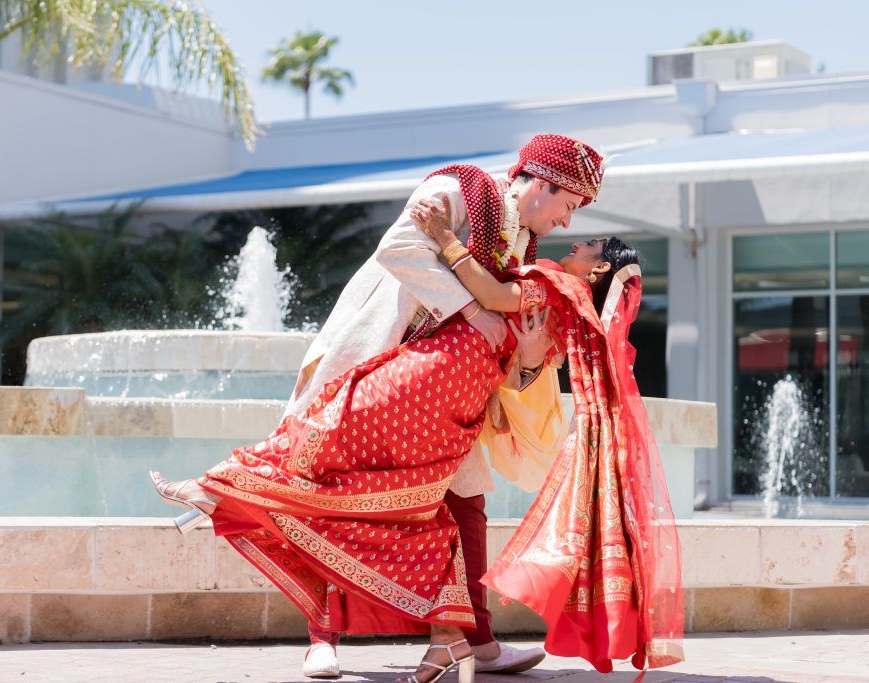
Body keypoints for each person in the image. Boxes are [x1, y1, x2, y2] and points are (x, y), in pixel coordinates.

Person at [280, 134, 604, 679]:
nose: (568, 224)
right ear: (543, 185)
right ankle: (322, 639)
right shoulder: (456, 188)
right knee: (339, 494)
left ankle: (477, 642)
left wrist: (522, 359)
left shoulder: (521, 245)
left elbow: (511, 332)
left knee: (467, 502)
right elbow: (399, 249)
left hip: (444, 392)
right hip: (377, 364)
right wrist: (475, 312)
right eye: (569, 206)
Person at [414, 206, 685, 673]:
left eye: (593, 245)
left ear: (600, 268)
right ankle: (474, 636)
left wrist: (445, 239)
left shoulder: (557, 286)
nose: (578, 240)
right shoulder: (572, 294)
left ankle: (466, 636)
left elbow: (495, 294)